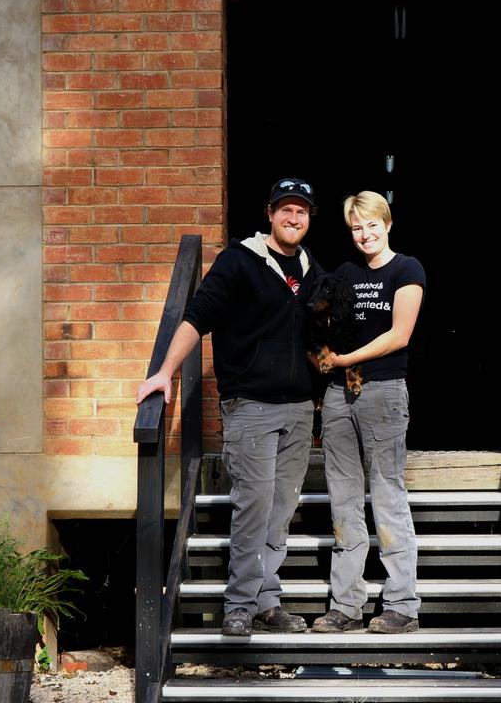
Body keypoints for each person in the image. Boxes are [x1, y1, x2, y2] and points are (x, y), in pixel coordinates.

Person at [135, 178, 322, 636]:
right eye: (286, 210)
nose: (293, 218)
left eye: (301, 212)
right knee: (253, 507)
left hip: (299, 408)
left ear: (309, 219)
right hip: (253, 407)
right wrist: (165, 372)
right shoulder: (239, 261)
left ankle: (266, 602)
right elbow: (197, 316)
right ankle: (238, 605)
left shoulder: (310, 268)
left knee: (281, 510)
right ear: (270, 213)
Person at [311, 191, 426, 634]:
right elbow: (319, 320)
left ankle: (402, 605)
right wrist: (325, 358)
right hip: (339, 397)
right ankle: (345, 604)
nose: (365, 234)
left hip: (383, 391)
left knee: (387, 494)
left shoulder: (406, 269)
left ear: (388, 223)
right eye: (357, 227)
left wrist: (343, 360)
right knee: (343, 500)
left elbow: (399, 335)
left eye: (372, 224)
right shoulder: (344, 273)